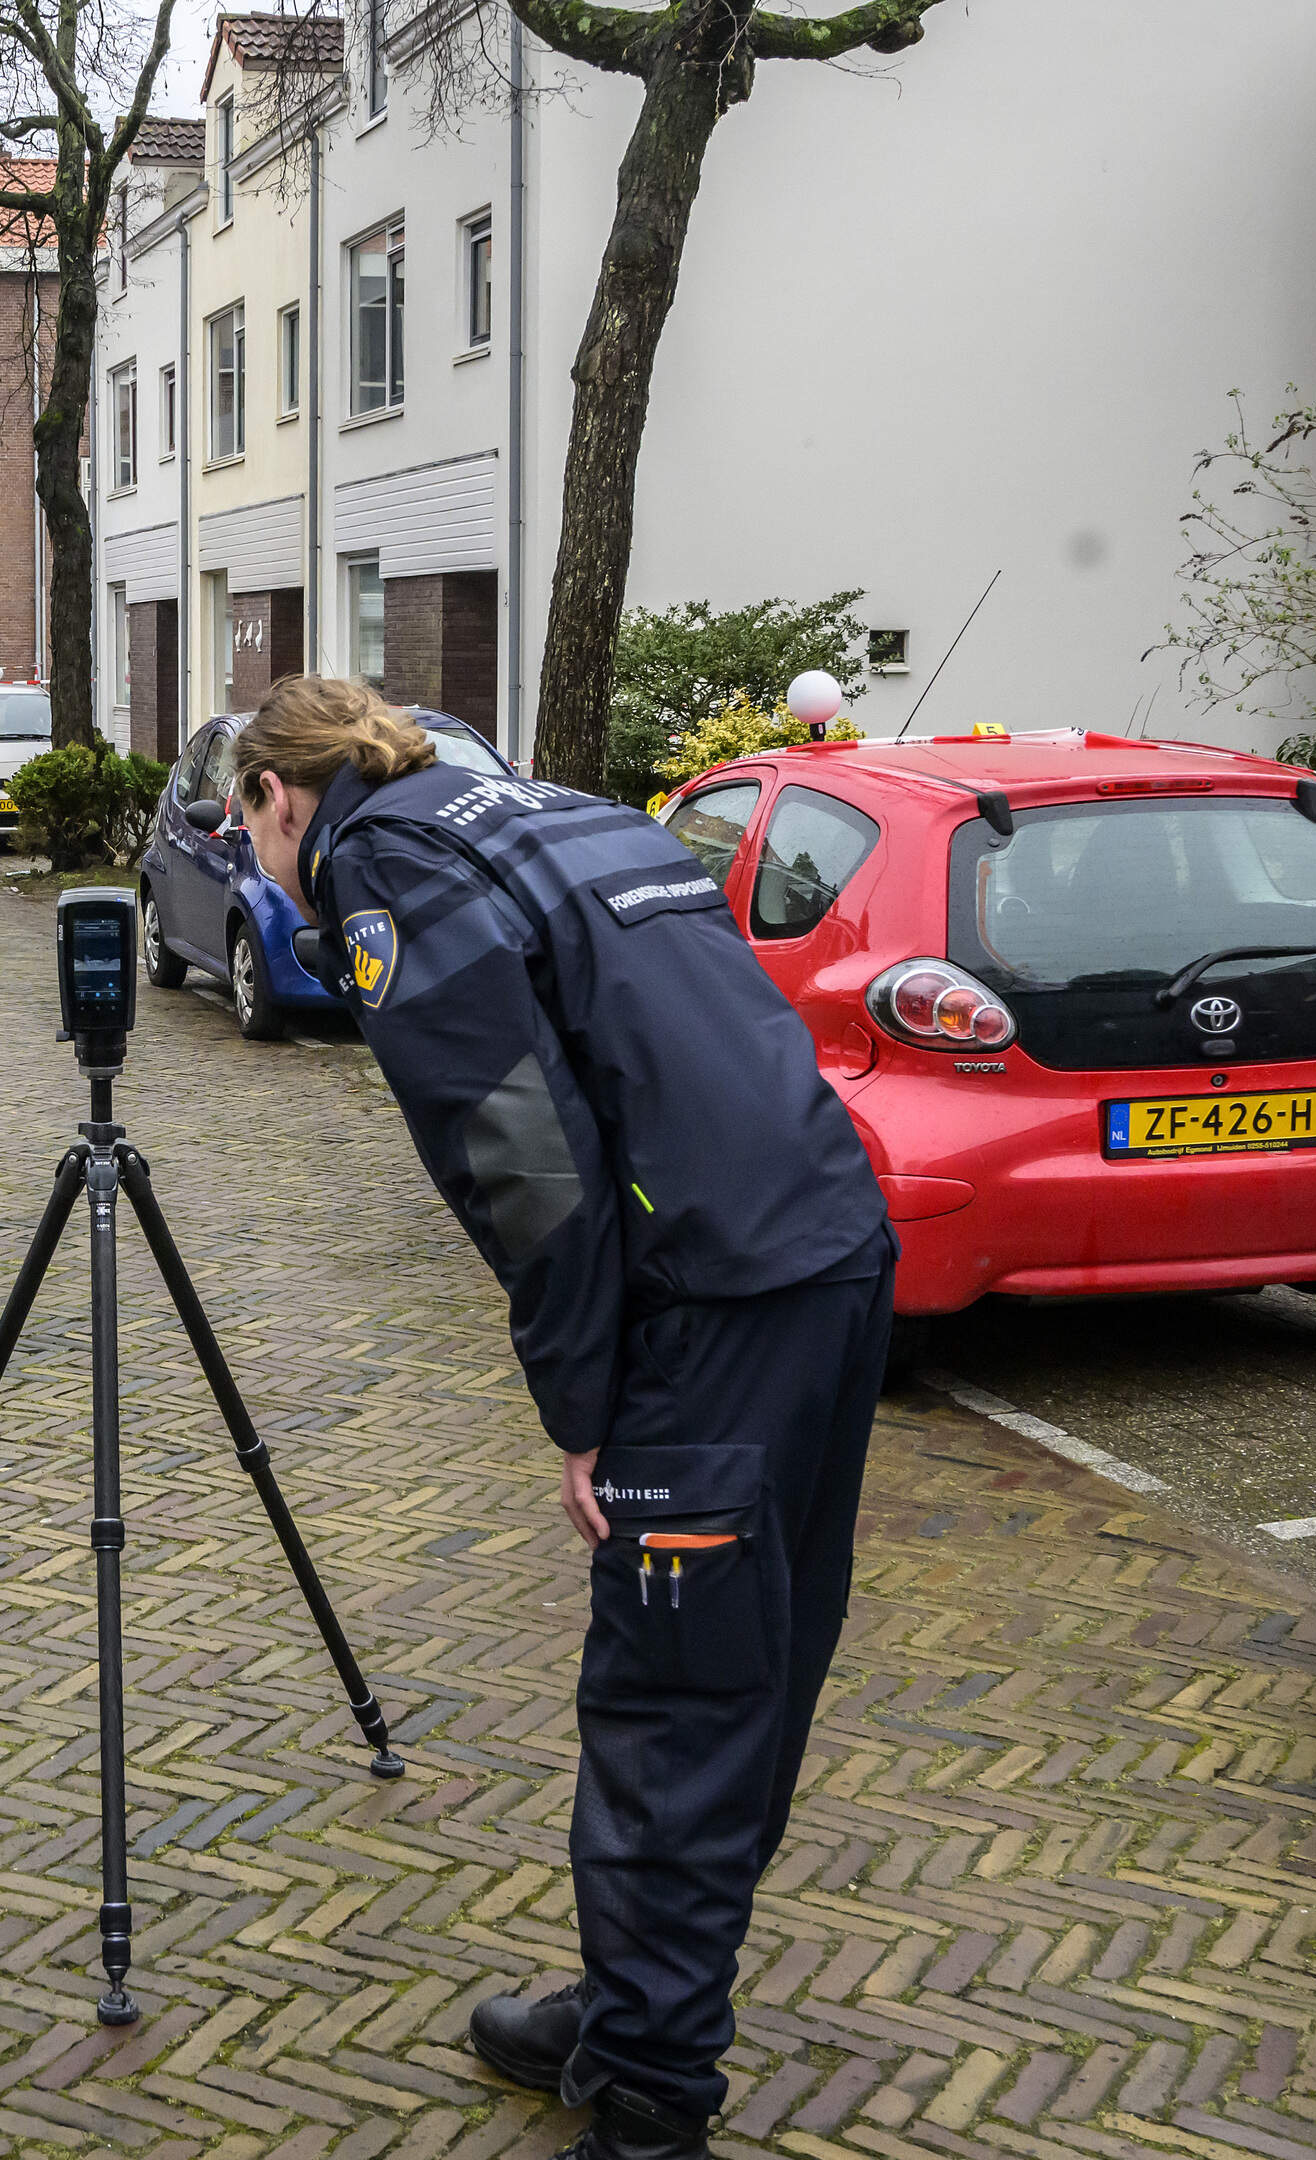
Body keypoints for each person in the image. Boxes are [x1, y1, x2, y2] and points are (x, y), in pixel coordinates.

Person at [225, 678, 894, 2160]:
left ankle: (650, 2101)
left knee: (677, 1699)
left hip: (715, 1304)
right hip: (832, 1253)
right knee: (755, 1666)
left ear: (281, 794)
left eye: (245, 825)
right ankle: (633, 2003)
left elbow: (523, 1160)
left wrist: (584, 1406)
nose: (256, 857)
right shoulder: (559, 815)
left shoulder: (388, 864)